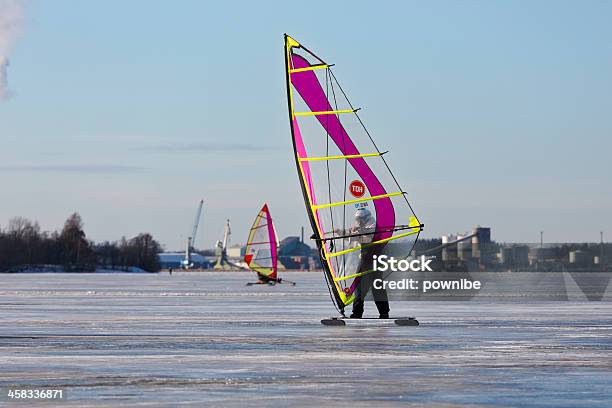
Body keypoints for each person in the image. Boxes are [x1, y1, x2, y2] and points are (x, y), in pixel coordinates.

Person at [337, 208, 390, 319]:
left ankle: (384, 312)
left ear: (365, 218)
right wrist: (341, 232)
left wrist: (357, 232)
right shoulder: (363, 227)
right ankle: (357, 313)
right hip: (365, 261)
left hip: (375, 261)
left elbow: (367, 238)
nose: (358, 222)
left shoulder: (373, 226)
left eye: (360, 219)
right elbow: (353, 237)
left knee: (377, 287)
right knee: (359, 288)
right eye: (357, 219)